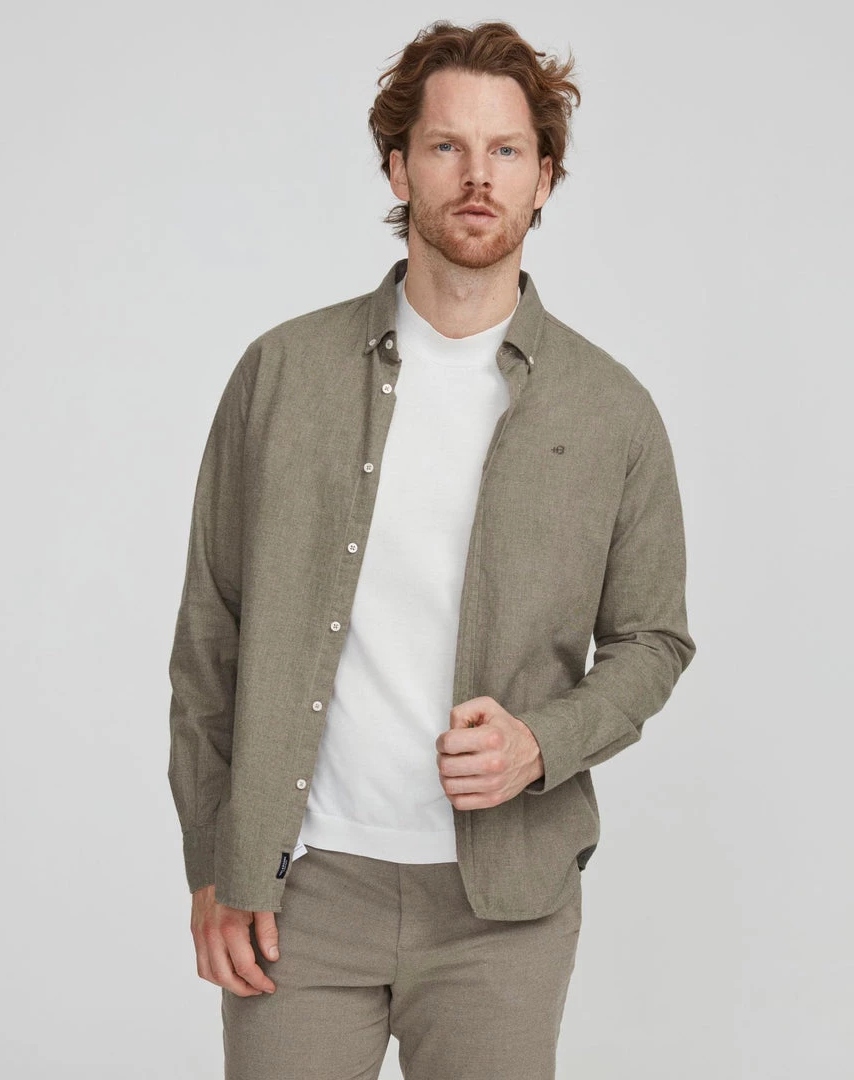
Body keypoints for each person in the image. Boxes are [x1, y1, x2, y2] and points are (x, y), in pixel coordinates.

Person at [167, 19, 697, 1080]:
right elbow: (209, 635)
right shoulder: (281, 375)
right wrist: (216, 859)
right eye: (447, 145)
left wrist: (541, 743)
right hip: (300, 892)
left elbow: (654, 641)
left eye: (507, 149)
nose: (477, 175)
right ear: (398, 166)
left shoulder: (612, 412)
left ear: (545, 179)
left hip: (503, 911)